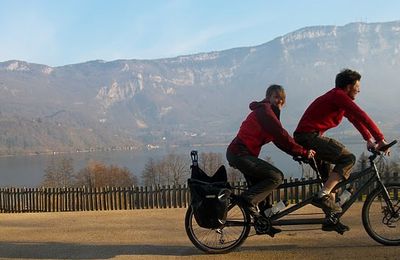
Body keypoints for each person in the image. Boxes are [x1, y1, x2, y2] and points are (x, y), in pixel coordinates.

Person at [294, 69, 390, 216]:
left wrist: (369, 139)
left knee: (331, 179)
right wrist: (380, 139)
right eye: (357, 86)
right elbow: (361, 115)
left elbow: (354, 119)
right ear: (349, 86)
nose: (359, 89)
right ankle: (323, 195)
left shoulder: (337, 98)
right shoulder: (338, 95)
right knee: (348, 158)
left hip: (306, 137)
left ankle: (331, 218)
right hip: (308, 137)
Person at [226, 84, 315, 223]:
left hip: (241, 154)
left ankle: (264, 219)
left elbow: (279, 141)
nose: (279, 100)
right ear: (268, 97)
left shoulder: (269, 114)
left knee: (263, 182)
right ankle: (247, 200)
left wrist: (297, 154)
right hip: (239, 153)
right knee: (276, 177)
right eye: (276, 97)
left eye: (282, 98)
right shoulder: (266, 112)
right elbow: (281, 135)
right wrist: (303, 152)